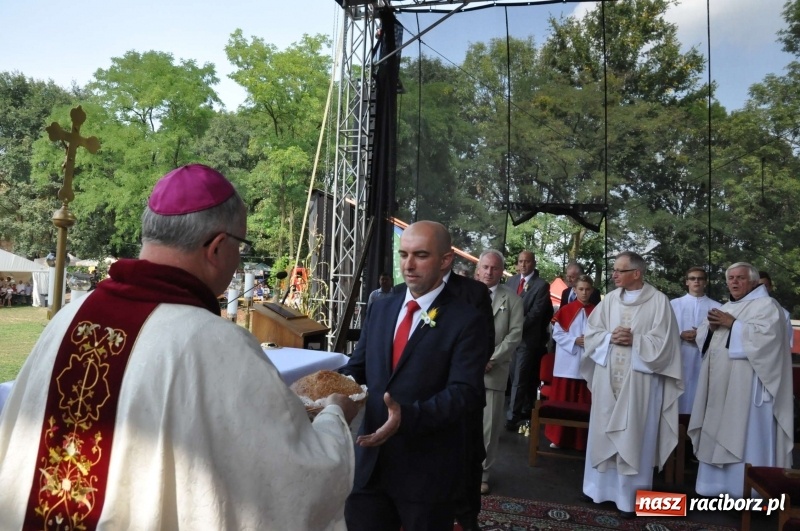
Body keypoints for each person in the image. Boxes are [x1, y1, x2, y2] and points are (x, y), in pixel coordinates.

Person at [0, 164, 359, 530]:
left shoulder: (69, 318)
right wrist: (333, 417)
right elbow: (292, 478)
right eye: (240, 245)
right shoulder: (216, 344)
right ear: (217, 248)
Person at [341, 220, 489, 531]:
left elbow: (465, 392)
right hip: (370, 464)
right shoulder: (381, 308)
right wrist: (325, 389)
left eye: (420, 255)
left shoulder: (466, 319)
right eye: (403, 254)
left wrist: (407, 417)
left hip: (426, 472)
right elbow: (358, 367)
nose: (408, 265)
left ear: (445, 260)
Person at [581, 251, 682, 516]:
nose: (614, 274)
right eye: (614, 269)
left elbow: (667, 345)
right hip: (608, 379)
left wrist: (636, 340)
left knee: (634, 433)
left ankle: (629, 498)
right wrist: (609, 338)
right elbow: (592, 333)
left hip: (640, 383)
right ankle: (597, 490)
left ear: (636, 273)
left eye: (619, 270)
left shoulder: (659, 302)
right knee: (604, 429)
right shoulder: (610, 300)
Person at [690, 262, 793, 497]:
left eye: (740, 278)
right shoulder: (726, 306)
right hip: (720, 387)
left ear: (754, 282)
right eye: (731, 278)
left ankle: (748, 493)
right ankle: (714, 487)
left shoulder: (767, 306)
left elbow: (769, 341)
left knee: (745, 437)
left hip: (748, 389)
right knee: (716, 432)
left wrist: (733, 325)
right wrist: (711, 329)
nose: (734, 282)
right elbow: (704, 338)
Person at [475, 249, 523, 495]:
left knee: (489, 427)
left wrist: (490, 359)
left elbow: (515, 335)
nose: (489, 272)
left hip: (494, 372)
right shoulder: (464, 295)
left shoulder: (512, 299)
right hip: (464, 371)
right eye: (485, 267)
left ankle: (482, 474)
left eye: (494, 268)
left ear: (501, 271)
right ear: (478, 269)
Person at [546, 274, 596, 450]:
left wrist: (590, 341)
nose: (584, 293)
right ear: (574, 290)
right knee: (563, 401)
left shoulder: (597, 312)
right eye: (581, 289)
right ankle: (558, 437)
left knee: (583, 403)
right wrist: (575, 340)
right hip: (567, 363)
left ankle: (581, 441)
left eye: (587, 289)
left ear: (592, 290)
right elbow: (557, 334)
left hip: (587, 363)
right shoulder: (566, 310)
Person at [505, 250, 553, 431]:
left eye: (527, 261)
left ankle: (512, 417)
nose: (523, 265)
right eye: (520, 261)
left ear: (534, 263)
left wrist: (515, 328)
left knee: (520, 377)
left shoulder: (541, 285)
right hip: (509, 338)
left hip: (526, 339)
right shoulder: (510, 282)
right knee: (513, 376)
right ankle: (525, 408)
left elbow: (536, 314)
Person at [669, 267, 721, 415]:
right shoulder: (673, 304)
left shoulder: (717, 307)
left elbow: (722, 335)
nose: (696, 281)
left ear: (705, 282)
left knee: (700, 393)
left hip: (703, 357)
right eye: (692, 278)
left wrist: (701, 335)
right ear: (687, 282)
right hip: (680, 355)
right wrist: (680, 334)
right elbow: (665, 329)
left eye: (700, 278)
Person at [759, 270, 793, 350]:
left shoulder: (783, 313)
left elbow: (786, 342)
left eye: (765, 286)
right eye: (758, 286)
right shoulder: (741, 310)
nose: (761, 290)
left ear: (770, 288)